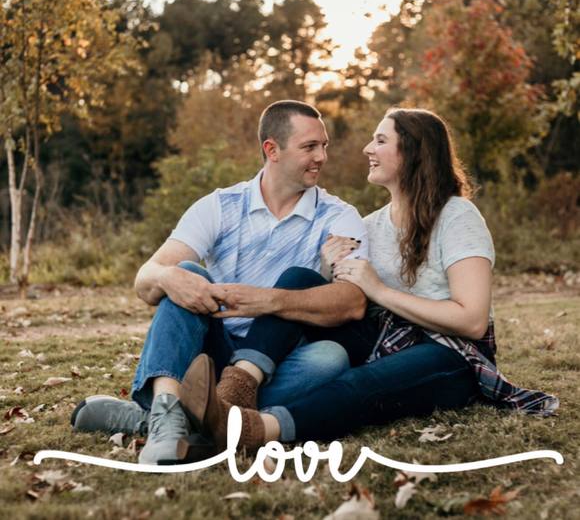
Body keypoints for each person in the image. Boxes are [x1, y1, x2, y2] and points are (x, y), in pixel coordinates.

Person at [180, 107, 559, 452]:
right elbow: (332, 298)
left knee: (360, 385)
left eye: (380, 140)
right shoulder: (370, 226)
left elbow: (472, 321)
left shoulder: (457, 216)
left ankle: (253, 430)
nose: (367, 149)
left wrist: (377, 288)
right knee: (300, 279)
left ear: (412, 152)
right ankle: (236, 389)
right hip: (383, 338)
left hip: (450, 353)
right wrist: (327, 270)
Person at [71, 100, 369, 464]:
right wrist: (167, 276)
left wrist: (266, 300)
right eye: (309, 147)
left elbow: (354, 302)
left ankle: (177, 419)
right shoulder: (219, 206)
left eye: (324, 146)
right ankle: (167, 416)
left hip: (279, 360)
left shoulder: (340, 217)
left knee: (330, 358)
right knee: (185, 273)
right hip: (210, 356)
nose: (321, 156)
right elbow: (145, 281)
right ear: (272, 150)